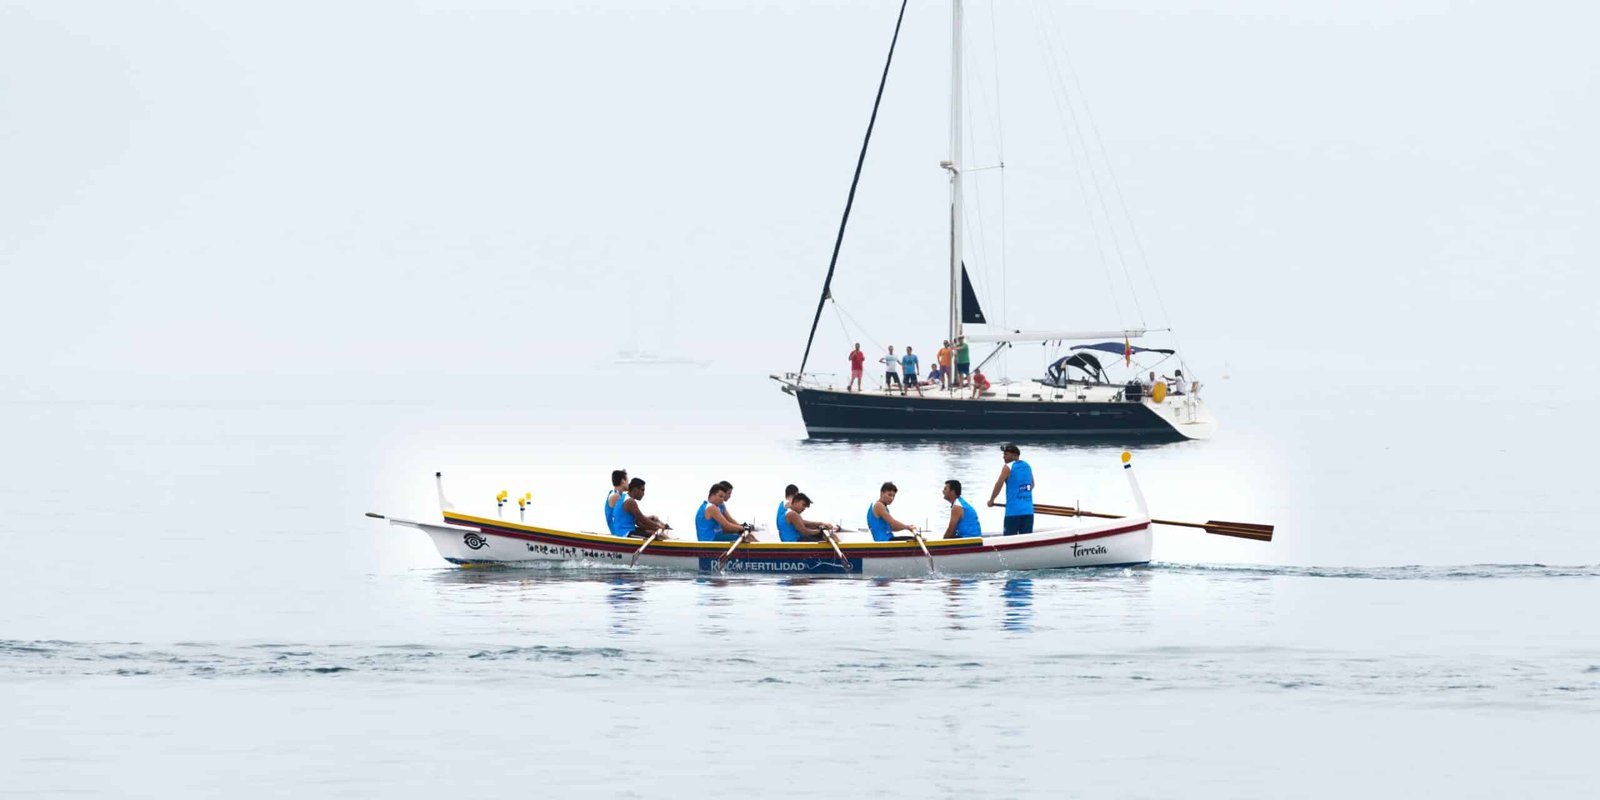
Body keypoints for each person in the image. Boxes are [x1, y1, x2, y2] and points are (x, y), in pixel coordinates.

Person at [987, 443, 1035, 535]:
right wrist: (1022, 494)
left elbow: (999, 484)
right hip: (1028, 510)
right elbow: (1032, 484)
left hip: (1013, 512)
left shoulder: (1008, 467)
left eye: (1006, 454)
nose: (1003, 457)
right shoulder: (1027, 466)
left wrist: (991, 500)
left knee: (1008, 538)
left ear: (1014, 455)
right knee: (1025, 540)